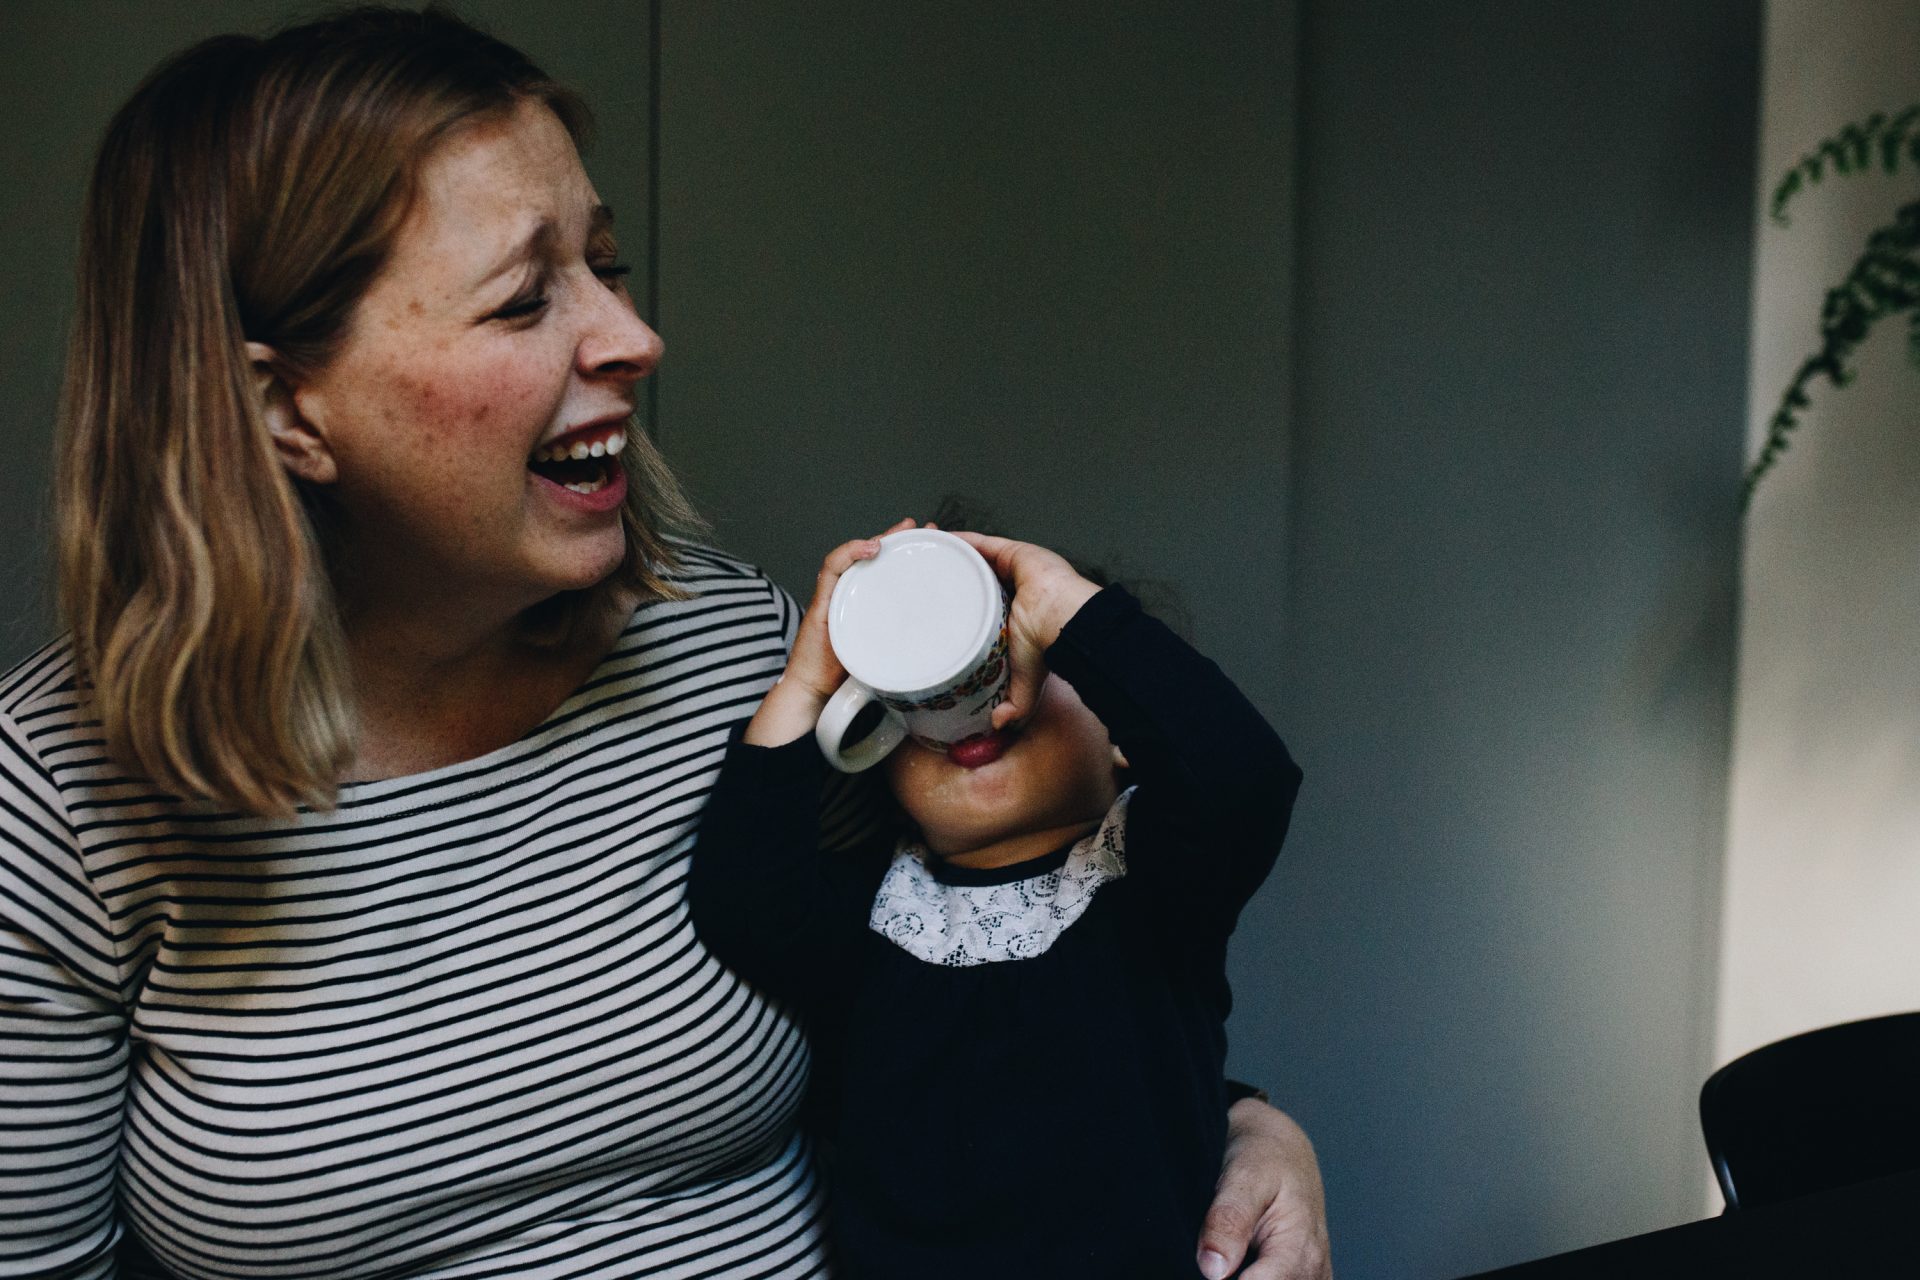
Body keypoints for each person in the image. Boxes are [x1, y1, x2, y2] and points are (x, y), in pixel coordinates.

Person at [0, 7, 1330, 1279]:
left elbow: (1000, 993)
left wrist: (1246, 1125)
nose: (636, 337)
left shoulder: (728, 655)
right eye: (526, 299)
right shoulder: (58, 797)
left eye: (609, 266)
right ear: (285, 409)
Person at [687, 527, 1302, 1277]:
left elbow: (1244, 776)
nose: (972, 706)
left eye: (1021, 667)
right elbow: (744, 898)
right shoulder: (877, 910)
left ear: (1125, 737)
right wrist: (808, 686)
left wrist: (1067, 609)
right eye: (924, 698)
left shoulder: (1154, 880)